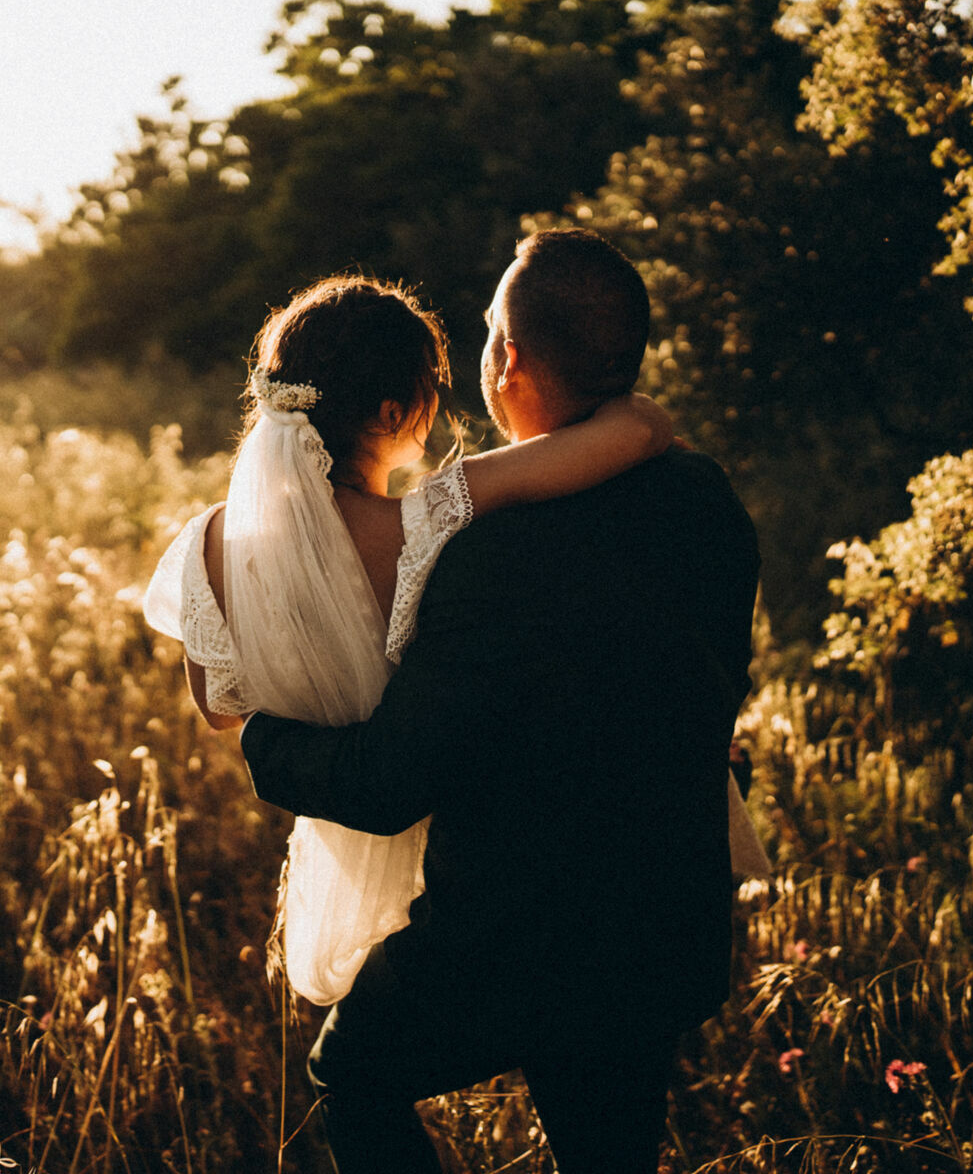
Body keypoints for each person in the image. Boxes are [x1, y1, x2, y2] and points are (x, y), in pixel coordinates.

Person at [238, 229, 762, 1173]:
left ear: (507, 358)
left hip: (511, 945)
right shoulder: (703, 494)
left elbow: (391, 780)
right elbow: (722, 683)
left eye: (486, 332)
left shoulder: (483, 554)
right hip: (665, 926)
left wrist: (264, 740)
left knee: (352, 1072)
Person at [144, 271, 733, 1008]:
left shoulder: (204, 547)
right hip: (463, 860)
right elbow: (642, 430)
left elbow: (221, 708)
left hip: (341, 816)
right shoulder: (429, 522)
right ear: (392, 410)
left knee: (358, 1063)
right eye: (429, 387)